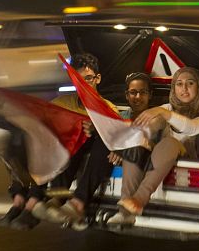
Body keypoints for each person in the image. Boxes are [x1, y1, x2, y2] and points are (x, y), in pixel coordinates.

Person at [1, 53, 117, 231]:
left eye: (88, 79)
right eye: (78, 80)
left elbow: (115, 135)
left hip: (85, 152)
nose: (84, 85)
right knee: (21, 138)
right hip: (56, 155)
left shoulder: (108, 108)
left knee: (82, 138)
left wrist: (95, 129)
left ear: (98, 78)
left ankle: (44, 203)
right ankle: (22, 200)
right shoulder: (62, 104)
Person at [107, 66, 199, 225]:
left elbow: (193, 127)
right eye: (179, 84)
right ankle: (125, 212)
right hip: (161, 159)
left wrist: (166, 114)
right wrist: (135, 140)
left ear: (198, 87)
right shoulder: (167, 108)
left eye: (190, 83)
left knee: (169, 142)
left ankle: (139, 200)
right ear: (173, 88)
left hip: (189, 161)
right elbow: (150, 126)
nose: (184, 88)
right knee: (135, 145)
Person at [44, 71, 154, 230]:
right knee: (83, 136)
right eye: (133, 92)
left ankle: (78, 203)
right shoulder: (118, 115)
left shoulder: (155, 117)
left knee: (104, 140)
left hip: (133, 158)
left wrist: (121, 149)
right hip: (106, 156)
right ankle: (59, 198)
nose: (137, 97)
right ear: (126, 95)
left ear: (150, 95)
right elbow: (110, 133)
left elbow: (147, 140)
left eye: (142, 92)